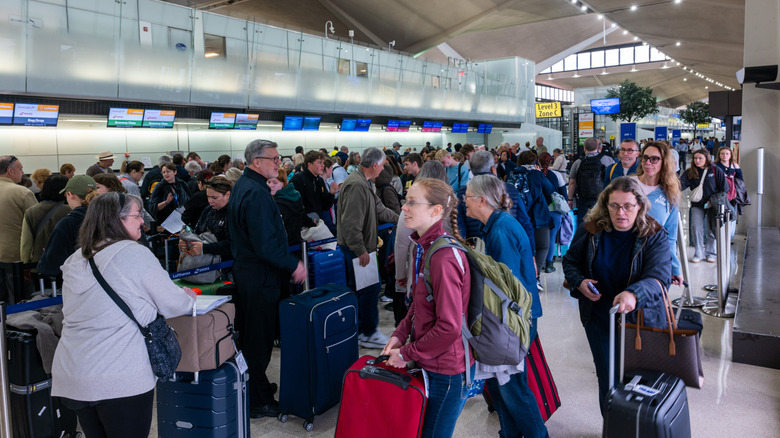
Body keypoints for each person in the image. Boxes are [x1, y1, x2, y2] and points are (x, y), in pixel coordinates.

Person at [51, 192, 196, 438]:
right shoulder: (133, 253)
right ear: (116, 220)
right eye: (137, 215)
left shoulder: (76, 259)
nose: (143, 221)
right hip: (119, 373)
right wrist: (187, 297)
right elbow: (174, 304)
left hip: (74, 373)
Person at [562, 176, 672, 415]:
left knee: (639, 381)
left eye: (628, 206)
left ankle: (637, 427)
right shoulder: (592, 229)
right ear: (606, 205)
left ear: (639, 206)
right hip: (600, 319)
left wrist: (633, 293)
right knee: (608, 378)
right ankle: (612, 427)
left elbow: (660, 278)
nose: (621, 213)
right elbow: (571, 262)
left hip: (642, 321)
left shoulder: (654, 234)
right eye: (614, 206)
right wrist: (579, 282)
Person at [382, 178, 473, 438]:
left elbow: (449, 327)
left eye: (412, 203)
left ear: (435, 211)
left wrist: (407, 353)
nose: (404, 208)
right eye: (405, 201)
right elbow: (419, 303)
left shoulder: (443, 257)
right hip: (430, 361)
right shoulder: (424, 247)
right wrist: (400, 333)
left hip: (447, 370)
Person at [463, 175, 548, 438]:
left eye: (467, 196)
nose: (463, 201)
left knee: (513, 387)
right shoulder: (498, 224)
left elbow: (506, 285)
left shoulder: (500, 231)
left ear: (481, 200)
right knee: (502, 386)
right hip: (515, 317)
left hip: (512, 321)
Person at [228, 139, 307, 418]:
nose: (279, 162)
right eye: (273, 159)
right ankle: (257, 400)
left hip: (251, 275)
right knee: (258, 342)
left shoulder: (246, 186)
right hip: (260, 278)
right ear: (256, 161)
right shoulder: (257, 193)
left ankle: (257, 388)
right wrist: (293, 264)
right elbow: (264, 244)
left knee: (255, 337)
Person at [337, 147, 399, 348]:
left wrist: (403, 220)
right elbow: (350, 224)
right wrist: (361, 251)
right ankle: (367, 332)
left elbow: (380, 209)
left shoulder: (366, 183)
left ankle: (362, 330)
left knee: (365, 288)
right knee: (370, 288)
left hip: (363, 247)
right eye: (382, 166)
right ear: (374, 165)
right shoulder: (357, 186)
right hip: (359, 248)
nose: (382, 170)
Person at [455, 150, 534, 251]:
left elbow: (460, 228)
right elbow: (525, 222)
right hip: (509, 246)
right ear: (493, 168)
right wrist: (531, 255)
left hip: (476, 250)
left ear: (472, 170)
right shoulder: (510, 189)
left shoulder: (463, 192)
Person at [633, 141, 683, 285]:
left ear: (665, 162)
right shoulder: (627, 184)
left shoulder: (670, 194)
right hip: (625, 255)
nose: (648, 163)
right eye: (645, 158)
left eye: (654, 159)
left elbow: (670, 236)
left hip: (654, 259)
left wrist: (675, 268)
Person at [37, 175, 98, 278]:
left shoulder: (68, 223)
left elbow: (51, 266)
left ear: (70, 194)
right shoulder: (108, 217)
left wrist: (48, 254)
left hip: (79, 284)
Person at [512, 151, 555, 288]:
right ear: (534, 161)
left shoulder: (514, 173)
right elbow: (550, 190)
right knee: (543, 246)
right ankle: (535, 276)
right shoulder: (536, 174)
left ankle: (522, 276)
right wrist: (541, 173)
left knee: (523, 247)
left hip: (519, 215)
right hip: (539, 216)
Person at [0, 155, 38, 303]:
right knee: (18, 302)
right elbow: (36, 226)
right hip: (15, 259)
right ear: (10, 171)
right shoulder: (22, 193)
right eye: (21, 169)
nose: (23, 172)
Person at [680, 149, 728, 263]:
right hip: (697, 205)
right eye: (695, 158)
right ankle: (699, 253)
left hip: (713, 205)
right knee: (696, 228)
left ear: (706, 158)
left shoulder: (715, 170)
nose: (697, 160)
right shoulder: (690, 172)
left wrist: (714, 201)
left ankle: (711, 253)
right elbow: (680, 185)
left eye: (700, 158)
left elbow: (724, 188)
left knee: (712, 229)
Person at [21, 175, 71, 266]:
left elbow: (26, 243)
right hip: (65, 262)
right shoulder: (71, 211)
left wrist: (25, 264)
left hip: (39, 261)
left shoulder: (31, 211)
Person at [178, 176, 233, 260]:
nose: (210, 201)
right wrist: (187, 242)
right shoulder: (208, 210)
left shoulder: (234, 213)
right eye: (208, 197)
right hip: (207, 263)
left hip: (226, 266)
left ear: (227, 195)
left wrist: (205, 248)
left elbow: (233, 244)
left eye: (214, 198)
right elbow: (196, 232)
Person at [268, 169, 317, 246]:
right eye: (268, 182)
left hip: (284, 246)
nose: (270, 185)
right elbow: (302, 214)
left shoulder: (277, 203)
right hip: (296, 244)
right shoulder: (295, 196)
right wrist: (310, 223)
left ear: (283, 183)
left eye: (275, 182)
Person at [568, 137, 614, 217]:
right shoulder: (608, 160)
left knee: (584, 224)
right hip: (603, 199)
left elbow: (572, 183)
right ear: (598, 147)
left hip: (583, 200)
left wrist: (570, 200)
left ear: (584, 147)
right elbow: (614, 180)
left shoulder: (578, 162)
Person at [538, 152, 568, 273]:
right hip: (554, 210)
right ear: (551, 161)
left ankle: (540, 263)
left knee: (538, 237)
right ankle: (549, 264)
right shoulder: (557, 175)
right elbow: (563, 195)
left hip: (539, 211)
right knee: (551, 237)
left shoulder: (535, 175)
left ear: (538, 161)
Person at [290, 151, 336, 220]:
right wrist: (307, 221)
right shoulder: (298, 179)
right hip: (303, 225)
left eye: (323, 163)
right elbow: (295, 206)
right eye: (319, 162)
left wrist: (331, 194)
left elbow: (325, 206)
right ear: (310, 164)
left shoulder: (319, 181)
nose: (323, 165)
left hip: (316, 221)